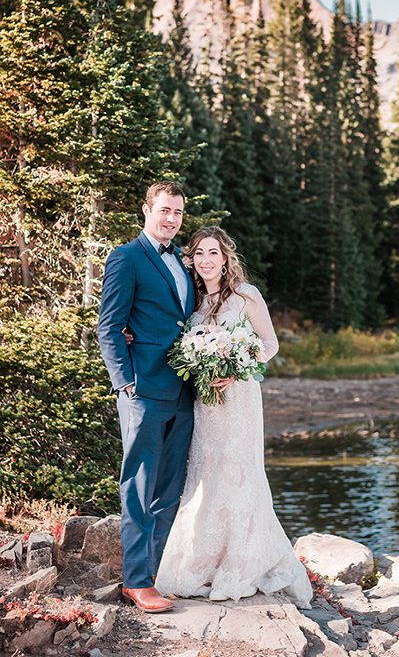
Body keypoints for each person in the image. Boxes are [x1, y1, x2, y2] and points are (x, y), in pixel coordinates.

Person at [154, 226, 312, 607]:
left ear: (226, 258)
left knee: (240, 475)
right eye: (199, 254)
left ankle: (240, 565)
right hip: (205, 405)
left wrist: (236, 367)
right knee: (206, 475)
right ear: (191, 260)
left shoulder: (246, 296)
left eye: (214, 252)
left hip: (239, 399)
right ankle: (201, 563)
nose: (206, 260)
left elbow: (269, 345)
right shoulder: (192, 302)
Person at [97, 181, 196, 614]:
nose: (170, 219)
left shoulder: (183, 263)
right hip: (143, 391)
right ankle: (135, 581)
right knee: (138, 487)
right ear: (146, 210)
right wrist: (125, 384)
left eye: (177, 212)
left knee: (169, 489)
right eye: (164, 210)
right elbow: (109, 326)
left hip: (183, 390)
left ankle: (152, 573)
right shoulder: (126, 258)